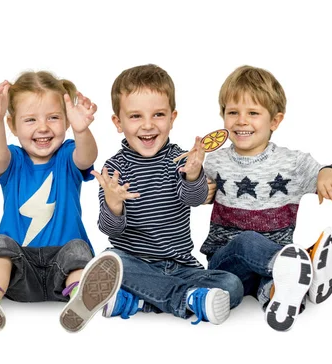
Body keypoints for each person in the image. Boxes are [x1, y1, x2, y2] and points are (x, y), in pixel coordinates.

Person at [0, 71, 122, 333]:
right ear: (13, 126)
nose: (43, 127)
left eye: (53, 118)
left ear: (65, 121)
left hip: (62, 269)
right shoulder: (13, 160)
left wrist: (82, 128)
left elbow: (87, 158)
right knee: (0, 244)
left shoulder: (67, 156)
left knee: (78, 249)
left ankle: (80, 297)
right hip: (19, 272)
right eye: (30, 120)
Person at [201, 65, 332, 331]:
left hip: (272, 270)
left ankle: (286, 294)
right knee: (247, 240)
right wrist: (194, 181)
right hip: (226, 265)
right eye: (232, 112)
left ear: (274, 121)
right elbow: (192, 196)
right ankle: (304, 263)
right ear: (223, 117)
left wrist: (330, 173)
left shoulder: (293, 163)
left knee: (277, 285)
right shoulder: (214, 160)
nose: (241, 120)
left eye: (253, 113)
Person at [93, 64, 243, 326]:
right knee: (109, 260)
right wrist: (113, 203)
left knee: (232, 284)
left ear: (172, 118)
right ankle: (184, 300)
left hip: (181, 267)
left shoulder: (179, 160)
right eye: (136, 116)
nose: (148, 125)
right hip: (135, 264)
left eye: (158, 115)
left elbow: (193, 199)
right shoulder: (114, 170)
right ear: (118, 122)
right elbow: (111, 229)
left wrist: (194, 175)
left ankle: (139, 301)